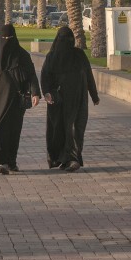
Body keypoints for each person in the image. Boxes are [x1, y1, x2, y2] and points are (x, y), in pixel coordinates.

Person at [0, 24, 41, 174]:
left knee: (12, 132)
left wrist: (35, 93)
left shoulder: (23, 55)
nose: (6, 41)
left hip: (15, 101)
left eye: (9, 38)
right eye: (3, 38)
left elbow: (31, 75)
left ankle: (10, 161)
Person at [41, 26, 99, 172]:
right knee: (62, 129)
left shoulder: (72, 55)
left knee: (74, 128)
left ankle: (72, 159)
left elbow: (88, 75)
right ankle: (62, 158)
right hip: (61, 100)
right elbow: (45, 77)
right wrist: (47, 93)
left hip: (72, 99)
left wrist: (94, 95)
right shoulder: (55, 56)